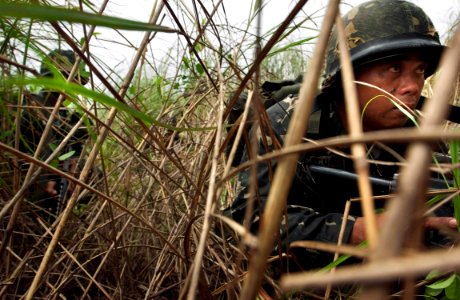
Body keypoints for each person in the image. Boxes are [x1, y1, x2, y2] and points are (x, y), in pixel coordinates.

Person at [225, 0, 457, 270]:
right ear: (348, 75)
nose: (412, 87)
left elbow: (442, 206)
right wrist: (358, 232)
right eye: (394, 68)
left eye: (419, 71)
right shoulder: (288, 123)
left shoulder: (420, 132)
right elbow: (246, 221)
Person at [20, 49, 90, 220]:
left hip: (58, 177)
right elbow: (25, 151)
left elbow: (74, 148)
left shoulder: (69, 115)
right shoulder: (32, 106)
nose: (76, 88)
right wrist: (53, 174)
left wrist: (74, 163)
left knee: (90, 170)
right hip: (32, 177)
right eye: (71, 81)